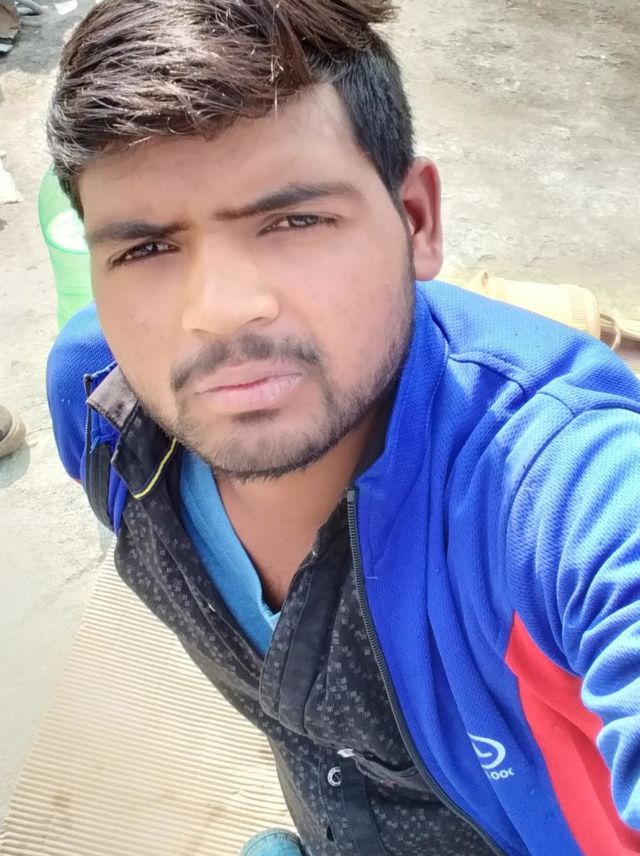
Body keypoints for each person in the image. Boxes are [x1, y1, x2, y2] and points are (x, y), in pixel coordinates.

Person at [44, 1, 640, 854]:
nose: (221, 311)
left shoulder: (556, 489)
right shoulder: (105, 412)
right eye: (145, 249)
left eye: (294, 221)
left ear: (416, 220)